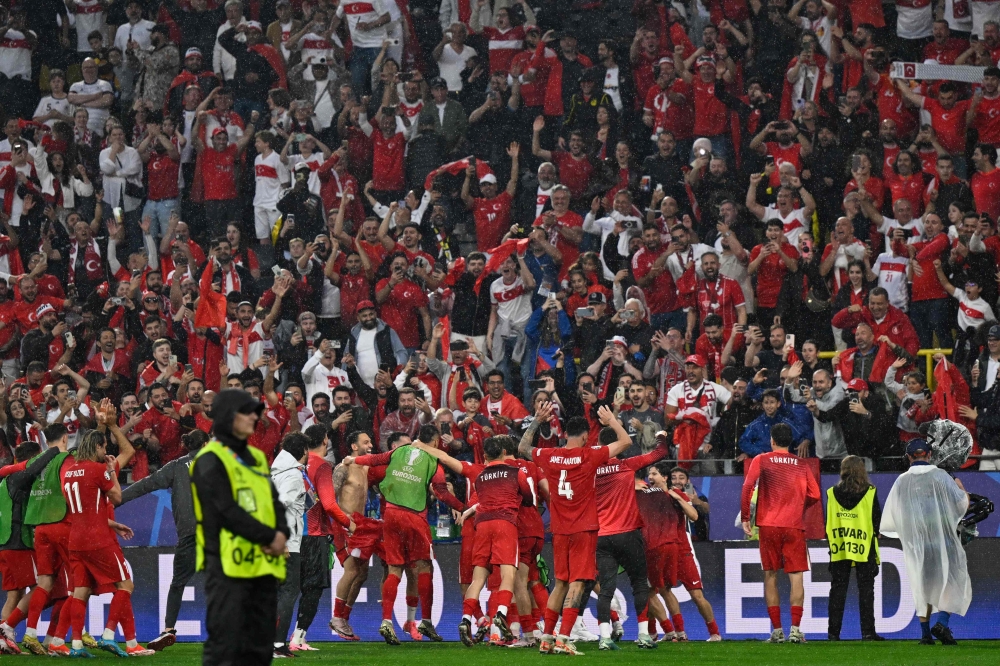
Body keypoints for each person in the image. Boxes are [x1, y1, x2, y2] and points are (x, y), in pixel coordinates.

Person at [518, 405, 632, 655]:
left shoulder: (550, 455)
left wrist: (537, 421)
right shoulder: (589, 454)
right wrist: (611, 420)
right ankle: (564, 638)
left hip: (560, 530)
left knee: (560, 583)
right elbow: (625, 441)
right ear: (584, 436)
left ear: (566, 434)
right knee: (578, 583)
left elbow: (523, 448)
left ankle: (547, 637)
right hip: (583, 529)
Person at [190, 389, 289, 666]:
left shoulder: (257, 457)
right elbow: (225, 511)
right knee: (225, 647)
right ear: (228, 417)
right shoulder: (208, 460)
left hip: (262, 565)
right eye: (246, 412)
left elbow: (273, 500)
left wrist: (282, 532)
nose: (254, 417)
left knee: (259, 649)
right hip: (226, 568)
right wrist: (270, 536)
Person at [343, 425, 463, 644]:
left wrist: (353, 460)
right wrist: (463, 507)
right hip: (415, 517)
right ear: (435, 442)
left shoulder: (399, 451)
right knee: (424, 568)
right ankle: (425, 621)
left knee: (394, 567)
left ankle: (386, 621)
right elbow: (441, 491)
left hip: (391, 515)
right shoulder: (432, 460)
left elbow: (376, 459)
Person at [118, 429, 208, 652]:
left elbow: (145, 485)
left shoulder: (177, 466)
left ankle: (168, 630)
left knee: (178, 583)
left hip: (190, 533)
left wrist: (116, 501)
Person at [881, 439, 972, 645]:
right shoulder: (941, 476)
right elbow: (961, 505)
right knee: (949, 579)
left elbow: (893, 517)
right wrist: (960, 487)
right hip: (942, 539)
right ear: (929, 455)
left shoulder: (901, 481)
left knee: (921, 584)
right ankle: (942, 622)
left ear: (908, 457)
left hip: (917, 544)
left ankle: (925, 634)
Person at [740, 422, 821, 643]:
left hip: (768, 525)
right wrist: (797, 507)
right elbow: (814, 495)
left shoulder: (762, 459)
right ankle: (795, 630)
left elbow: (748, 487)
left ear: (772, 440)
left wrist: (747, 517)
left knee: (771, 575)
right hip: (794, 525)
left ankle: (777, 631)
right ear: (791, 442)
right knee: (796, 577)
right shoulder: (801, 464)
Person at [825, 455, 883, 641]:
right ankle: (868, 632)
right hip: (864, 546)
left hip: (840, 545)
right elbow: (876, 522)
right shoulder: (870, 492)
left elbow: (828, 521)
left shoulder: (832, 493)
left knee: (837, 590)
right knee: (866, 589)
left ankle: (833, 633)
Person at [270, 432, 310, 658]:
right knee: (288, 592)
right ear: (303, 451)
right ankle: (277, 645)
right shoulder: (293, 477)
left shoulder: (277, 472)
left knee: (275, 593)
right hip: (287, 544)